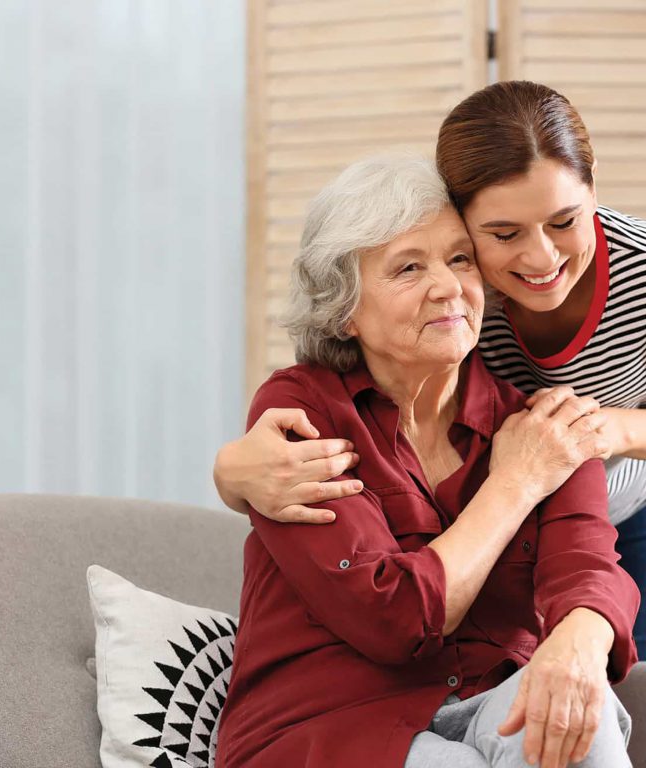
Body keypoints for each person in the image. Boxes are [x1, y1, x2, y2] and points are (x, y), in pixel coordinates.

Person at [213, 154, 638, 768]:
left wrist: (579, 641)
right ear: (343, 310)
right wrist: (515, 483)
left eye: (460, 259)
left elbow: (588, 567)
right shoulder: (301, 412)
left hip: (493, 694)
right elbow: (395, 620)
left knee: (576, 716)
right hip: (331, 721)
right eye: (409, 267)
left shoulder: (539, 421)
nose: (449, 287)